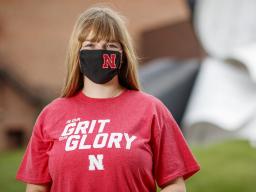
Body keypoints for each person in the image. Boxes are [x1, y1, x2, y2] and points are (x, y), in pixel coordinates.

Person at [16, 5, 200, 192]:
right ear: (77, 55)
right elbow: (37, 188)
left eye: (110, 46)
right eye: (90, 46)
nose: (100, 52)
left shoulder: (151, 109)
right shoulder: (51, 114)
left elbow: (174, 185)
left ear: (123, 55)